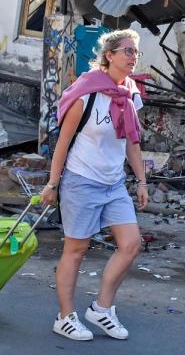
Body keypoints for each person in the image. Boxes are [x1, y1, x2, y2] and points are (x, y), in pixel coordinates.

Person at [40, 29, 149, 342]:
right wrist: (52, 183)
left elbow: (132, 143)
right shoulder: (87, 93)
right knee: (76, 250)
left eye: (136, 52)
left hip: (114, 184)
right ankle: (65, 317)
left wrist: (141, 181)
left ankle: (101, 309)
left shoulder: (130, 94)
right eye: (127, 51)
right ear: (109, 55)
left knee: (131, 244)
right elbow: (63, 143)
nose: (133, 57)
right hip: (81, 181)